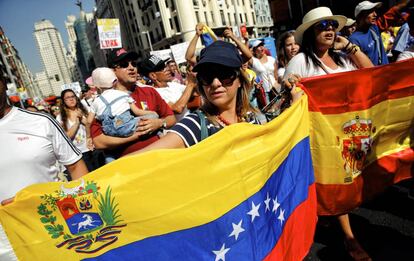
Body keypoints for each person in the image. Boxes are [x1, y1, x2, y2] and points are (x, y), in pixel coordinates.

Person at [284, 7, 373, 261]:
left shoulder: (343, 59)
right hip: (322, 135)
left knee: (345, 179)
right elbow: (289, 88)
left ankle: (325, 214)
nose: (330, 30)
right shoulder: (301, 60)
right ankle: (350, 240)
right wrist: (291, 84)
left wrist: (350, 47)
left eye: (333, 25)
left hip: (348, 131)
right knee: (337, 180)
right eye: (323, 26)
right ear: (311, 33)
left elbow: (370, 73)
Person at [129, 41, 302, 154]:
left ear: (240, 80)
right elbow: (143, 158)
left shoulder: (253, 118)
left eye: (224, 74)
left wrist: (294, 100)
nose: (215, 83)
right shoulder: (197, 124)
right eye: (207, 76)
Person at [0, 73, 88, 205]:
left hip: (52, 221)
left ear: (4, 82)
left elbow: (75, 167)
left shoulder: (41, 122)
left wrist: (88, 209)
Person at [90, 48, 176, 160]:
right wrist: (135, 135)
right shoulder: (101, 102)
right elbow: (98, 142)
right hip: (129, 167)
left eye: (134, 64)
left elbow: (171, 118)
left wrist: (159, 123)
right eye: (124, 64)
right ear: (112, 71)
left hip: (161, 157)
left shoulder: (149, 91)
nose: (131, 68)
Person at [87, 67, 158, 139]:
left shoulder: (95, 102)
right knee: (154, 118)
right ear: (115, 82)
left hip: (110, 133)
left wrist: (88, 137)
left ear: (97, 87)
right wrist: (153, 113)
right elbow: (137, 112)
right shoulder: (123, 94)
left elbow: (89, 121)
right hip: (128, 127)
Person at [139, 55, 197, 121]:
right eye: (162, 68)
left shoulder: (173, 84)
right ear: (153, 76)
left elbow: (195, 93)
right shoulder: (155, 93)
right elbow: (178, 109)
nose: (168, 69)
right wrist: (190, 84)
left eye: (165, 66)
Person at [58, 89, 97, 172]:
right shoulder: (60, 117)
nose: (71, 99)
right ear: (63, 101)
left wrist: (85, 121)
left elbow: (93, 126)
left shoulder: (85, 109)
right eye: (67, 98)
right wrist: (77, 122)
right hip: (76, 154)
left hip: (91, 148)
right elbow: (66, 137)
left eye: (73, 96)